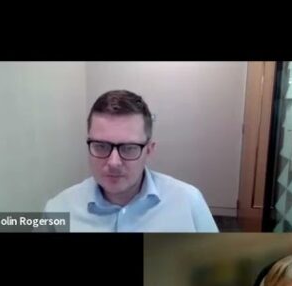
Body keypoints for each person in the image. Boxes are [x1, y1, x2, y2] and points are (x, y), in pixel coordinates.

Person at [44, 90, 219, 232]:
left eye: (128, 148)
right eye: (101, 146)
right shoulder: (56, 210)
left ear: (149, 150)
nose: (113, 162)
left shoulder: (189, 202)